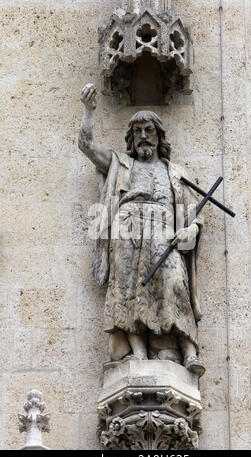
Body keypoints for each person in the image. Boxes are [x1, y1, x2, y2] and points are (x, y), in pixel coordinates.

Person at [78, 83, 205, 376]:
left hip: (163, 232)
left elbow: (193, 215)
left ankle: (188, 350)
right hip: (127, 232)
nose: (144, 136)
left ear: (159, 136)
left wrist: (191, 231)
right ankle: (136, 352)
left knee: (174, 282)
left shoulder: (175, 173)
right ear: (131, 139)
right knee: (127, 289)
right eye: (138, 132)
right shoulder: (120, 164)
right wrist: (89, 111)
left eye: (149, 130)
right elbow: (87, 146)